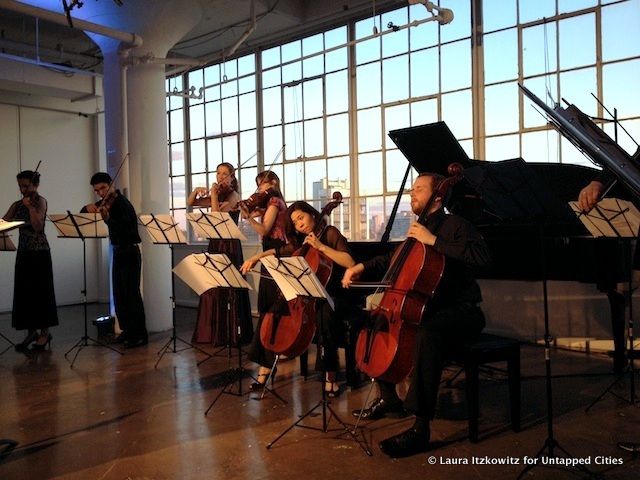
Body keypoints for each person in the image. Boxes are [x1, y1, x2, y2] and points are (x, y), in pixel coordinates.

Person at [342, 172, 491, 458]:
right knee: (370, 322)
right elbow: (392, 258)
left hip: (461, 311)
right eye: (412, 189)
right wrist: (360, 267)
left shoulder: (455, 225)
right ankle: (389, 400)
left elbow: (484, 257)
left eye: (419, 189)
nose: (412, 194)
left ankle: (420, 428)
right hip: (425, 307)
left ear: (438, 196)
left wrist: (434, 241)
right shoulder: (417, 229)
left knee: (428, 334)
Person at [242, 200, 356, 397]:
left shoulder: (330, 233)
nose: (299, 224)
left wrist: (321, 247)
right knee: (273, 310)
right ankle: (265, 367)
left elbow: (350, 262)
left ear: (312, 214)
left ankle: (331, 375)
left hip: (334, 294)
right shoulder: (302, 242)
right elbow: (280, 251)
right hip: (308, 295)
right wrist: (256, 258)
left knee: (324, 315)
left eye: (301, 218)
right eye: (295, 222)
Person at [188, 162, 253, 347]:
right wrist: (196, 190)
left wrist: (214, 195)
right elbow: (191, 203)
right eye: (218, 173)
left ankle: (230, 333)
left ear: (232, 177)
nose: (220, 176)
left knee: (228, 287)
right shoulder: (220, 194)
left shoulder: (233, 196)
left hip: (229, 244)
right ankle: (212, 332)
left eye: (225, 173)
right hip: (215, 242)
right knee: (213, 285)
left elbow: (216, 214)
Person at [82, 172, 147, 349]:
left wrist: (108, 219)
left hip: (130, 251)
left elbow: (126, 229)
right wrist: (87, 208)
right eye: (97, 191)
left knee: (131, 294)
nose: (101, 193)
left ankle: (139, 334)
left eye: (103, 188)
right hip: (118, 251)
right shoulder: (106, 203)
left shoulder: (122, 203)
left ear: (111, 184)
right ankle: (127, 331)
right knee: (119, 294)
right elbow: (84, 212)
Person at [238, 170, 288, 389]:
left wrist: (249, 216)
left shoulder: (275, 201)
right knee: (267, 308)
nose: (259, 190)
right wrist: (247, 209)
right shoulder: (268, 201)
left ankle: (266, 366)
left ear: (273, 183)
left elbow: (264, 229)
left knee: (269, 308)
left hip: (275, 253)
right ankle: (268, 363)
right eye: (258, 186)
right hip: (270, 252)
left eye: (263, 185)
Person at [3, 170, 58, 351]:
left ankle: (44, 333)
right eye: (20, 186)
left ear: (35, 185)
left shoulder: (40, 202)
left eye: (26, 186)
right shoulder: (17, 204)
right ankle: (31, 332)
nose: (22, 189)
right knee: (25, 294)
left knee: (41, 293)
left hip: (40, 253)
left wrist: (30, 208)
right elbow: (4, 222)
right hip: (24, 252)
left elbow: (38, 226)